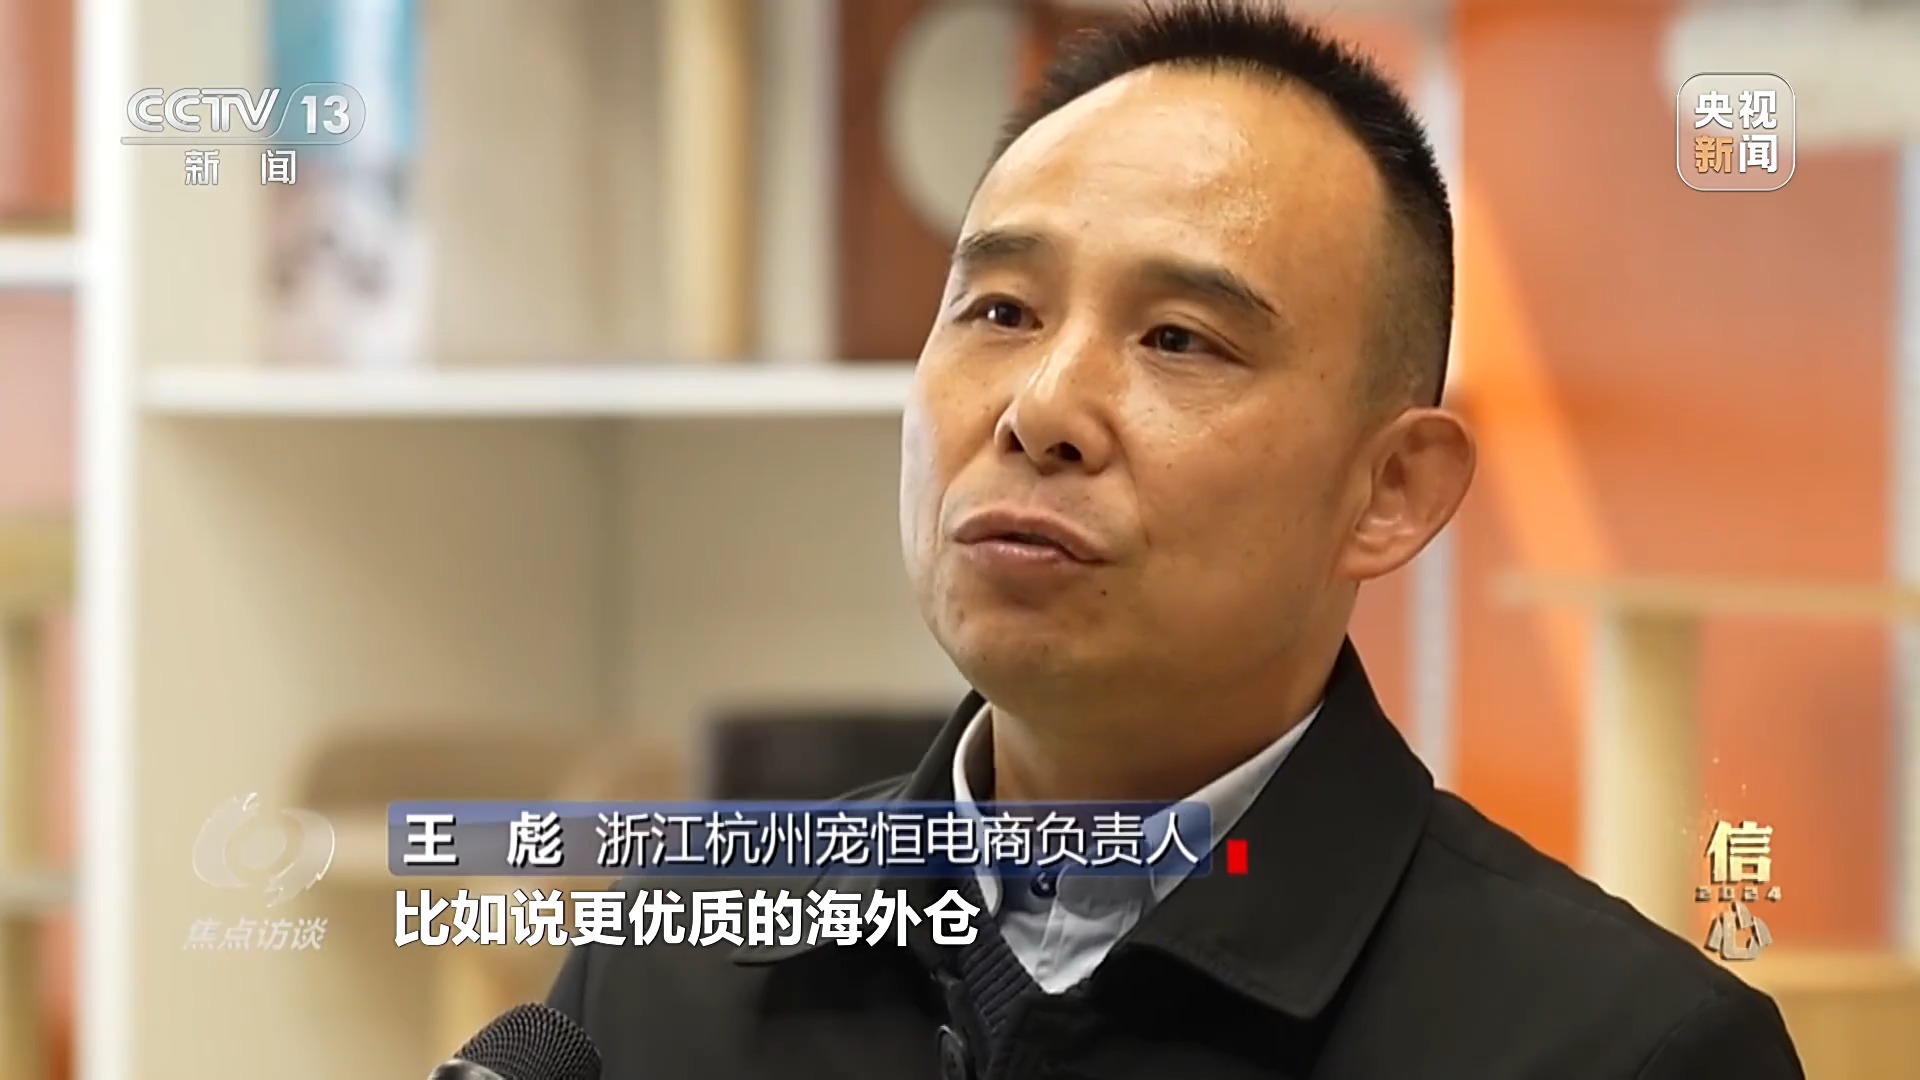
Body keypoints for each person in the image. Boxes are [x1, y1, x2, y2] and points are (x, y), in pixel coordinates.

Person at [547, 1, 1805, 1076]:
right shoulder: (666, 974)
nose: (1042, 411)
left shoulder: (1620, 1048)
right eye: (1001, 311)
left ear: (1391, 490)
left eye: (1178, 339)